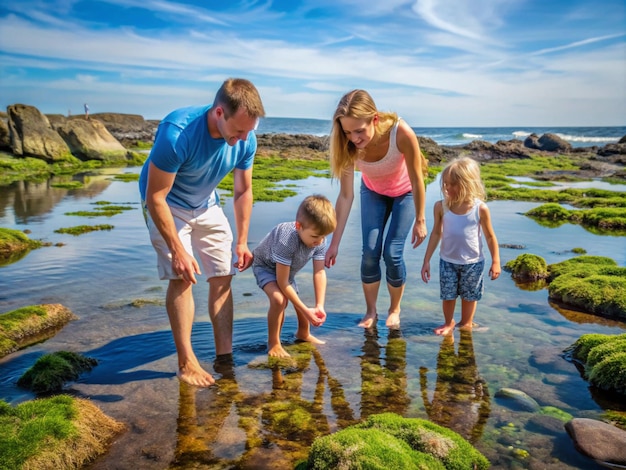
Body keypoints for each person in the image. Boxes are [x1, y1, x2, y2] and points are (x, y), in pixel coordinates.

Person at [139, 78, 265, 387]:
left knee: (223, 275)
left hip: (206, 202)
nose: (244, 137)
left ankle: (224, 357)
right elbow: (156, 197)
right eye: (239, 130)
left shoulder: (247, 138)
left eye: (250, 130)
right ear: (219, 113)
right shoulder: (177, 133)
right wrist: (178, 251)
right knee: (182, 276)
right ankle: (186, 363)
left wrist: (243, 241)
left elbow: (243, 191)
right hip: (167, 203)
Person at [325, 89, 428, 330]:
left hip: (405, 192)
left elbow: (417, 180)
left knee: (392, 252)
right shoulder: (347, 144)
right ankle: (371, 311)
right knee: (370, 251)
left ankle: (395, 309)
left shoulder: (400, 133)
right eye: (348, 132)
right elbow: (346, 195)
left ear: (374, 119)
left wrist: (421, 219)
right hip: (373, 192)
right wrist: (334, 242)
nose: (354, 138)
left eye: (359, 131)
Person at [420, 156, 501, 335]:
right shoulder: (441, 207)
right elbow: (436, 233)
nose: (447, 188)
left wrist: (496, 261)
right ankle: (448, 323)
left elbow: (490, 237)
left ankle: (467, 323)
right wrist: (426, 260)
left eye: (452, 184)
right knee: (448, 295)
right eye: (445, 184)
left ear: (467, 184)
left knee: (469, 296)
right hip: (447, 261)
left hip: (473, 262)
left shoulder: (480, 209)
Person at [252, 194, 337, 358]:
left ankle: (303, 334)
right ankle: (274, 343)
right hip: (266, 266)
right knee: (279, 300)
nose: (319, 241)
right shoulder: (287, 239)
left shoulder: (319, 239)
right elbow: (282, 283)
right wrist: (306, 311)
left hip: (287, 270)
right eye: (315, 237)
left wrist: (320, 305)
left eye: (323, 237)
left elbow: (319, 272)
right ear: (299, 226)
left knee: (298, 300)